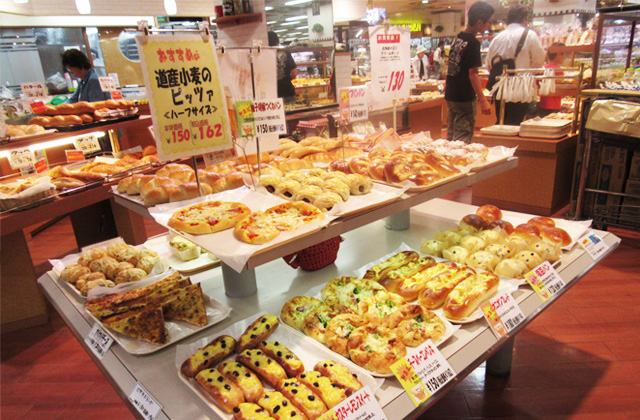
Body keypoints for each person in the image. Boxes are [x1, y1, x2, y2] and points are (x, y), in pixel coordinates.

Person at [444, 1, 494, 143]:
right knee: (462, 140)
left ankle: (446, 163)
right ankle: (459, 164)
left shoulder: (458, 38)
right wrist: (483, 100)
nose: (489, 26)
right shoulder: (472, 43)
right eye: (488, 22)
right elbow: (473, 74)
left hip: (451, 94)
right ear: (479, 22)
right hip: (464, 96)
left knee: (451, 137)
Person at [486, 5, 545, 125]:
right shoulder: (530, 35)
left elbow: (489, 64)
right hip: (521, 86)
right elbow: (539, 61)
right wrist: (527, 71)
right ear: (524, 19)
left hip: (500, 86)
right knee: (515, 122)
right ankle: (510, 143)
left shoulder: (497, 38)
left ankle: (500, 142)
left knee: (501, 119)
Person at [537, 42, 566, 117]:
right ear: (558, 54)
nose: (565, 57)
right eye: (564, 54)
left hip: (542, 104)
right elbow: (561, 88)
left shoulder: (543, 69)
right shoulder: (558, 70)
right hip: (554, 106)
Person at [268, 31, 297, 104]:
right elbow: (294, 74)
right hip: (287, 90)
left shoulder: (264, 54)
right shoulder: (286, 52)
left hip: (272, 93)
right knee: (291, 114)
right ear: (278, 41)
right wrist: (286, 79)